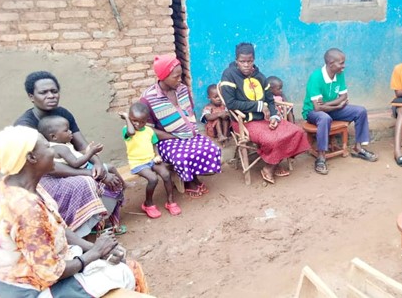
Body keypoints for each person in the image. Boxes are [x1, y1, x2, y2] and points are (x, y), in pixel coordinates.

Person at [0, 125, 148, 297]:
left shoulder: (8, 186)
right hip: (30, 289)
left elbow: (58, 228)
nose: (54, 153)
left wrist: (96, 249)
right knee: (127, 272)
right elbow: (51, 273)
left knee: (119, 266)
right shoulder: (26, 209)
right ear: (31, 157)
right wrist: (95, 253)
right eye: (48, 147)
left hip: (15, 276)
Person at [15, 71, 125, 237]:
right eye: (43, 92)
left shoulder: (63, 114)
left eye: (54, 91)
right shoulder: (25, 126)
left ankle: (96, 222)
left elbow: (81, 144)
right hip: (39, 177)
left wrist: (97, 165)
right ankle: (76, 233)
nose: (50, 96)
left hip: (67, 166)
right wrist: (91, 173)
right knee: (86, 183)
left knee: (107, 173)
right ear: (31, 96)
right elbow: (49, 168)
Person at [219, 42, 310, 184]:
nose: (246, 65)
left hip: (265, 119)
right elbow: (230, 103)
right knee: (271, 139)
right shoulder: (229, 75)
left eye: (249, 61)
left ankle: (273, 161)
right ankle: (270, 166)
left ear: (253, 60)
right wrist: (259, 106)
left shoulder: (259, 76)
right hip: (244, 122)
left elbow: (270, 100)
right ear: (237, 61)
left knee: (296, 131)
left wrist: (274, 115)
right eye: (242, 61)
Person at [140, 54, 222, 197]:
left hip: (188, 135)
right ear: (163, 76)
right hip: (166, 140)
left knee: (211, 148)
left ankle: (194, 176)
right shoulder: (148, 98)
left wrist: (191, 131)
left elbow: (189, 112)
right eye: (175, 76)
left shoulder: (182, 89)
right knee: (182, 156)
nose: (180, 79)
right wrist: (172, 136)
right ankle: (188, 182)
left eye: (181, 75)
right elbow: (146, 129)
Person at [302, 48, 378, 175]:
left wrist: (327, 104)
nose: (344, 66)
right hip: (312, 112)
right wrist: (336, 106)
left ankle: (358, 148)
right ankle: (321, 156)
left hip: (330, 108)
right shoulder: (316, 77)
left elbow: (344, 97)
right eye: (341, 63)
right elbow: (317, 108)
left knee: (360, 111)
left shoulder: (339, 74)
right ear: (331, 63)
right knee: (324, 118)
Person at [120, 102, 177, 218]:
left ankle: (170, 201)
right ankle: (148, 204)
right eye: (134, 120)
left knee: (166, 174)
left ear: (147, 120)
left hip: (151, 159)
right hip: (137, 163)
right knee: (153, 179)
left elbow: (154, 144)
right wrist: (126, 118)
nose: (138, 124)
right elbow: (131, 132)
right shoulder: (127, 129)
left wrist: (157, 155)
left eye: (142, 122)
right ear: (130, 118)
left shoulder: (149, 131)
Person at [37, 115, 125, 186]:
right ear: (54, 137)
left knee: (110, 168)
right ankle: (120, 187)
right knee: (110, 169)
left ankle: (123, 185)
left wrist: (86, 151)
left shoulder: (62, 144)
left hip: (85, 168)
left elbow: (74, 155)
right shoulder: (61, 148)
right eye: (66, 130)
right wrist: (91, 152)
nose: (71, 132)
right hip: (84, 170)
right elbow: (75, 163)